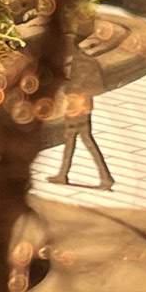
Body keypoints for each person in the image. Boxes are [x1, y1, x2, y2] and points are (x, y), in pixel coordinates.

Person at [47, 49, 114, 190]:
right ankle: (64, 174)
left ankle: (105, 177)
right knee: (76, 141)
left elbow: (74, 86)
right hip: (83, 105)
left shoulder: (77, 63)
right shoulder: (85, 59)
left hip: (76, 106)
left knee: (79, 140)